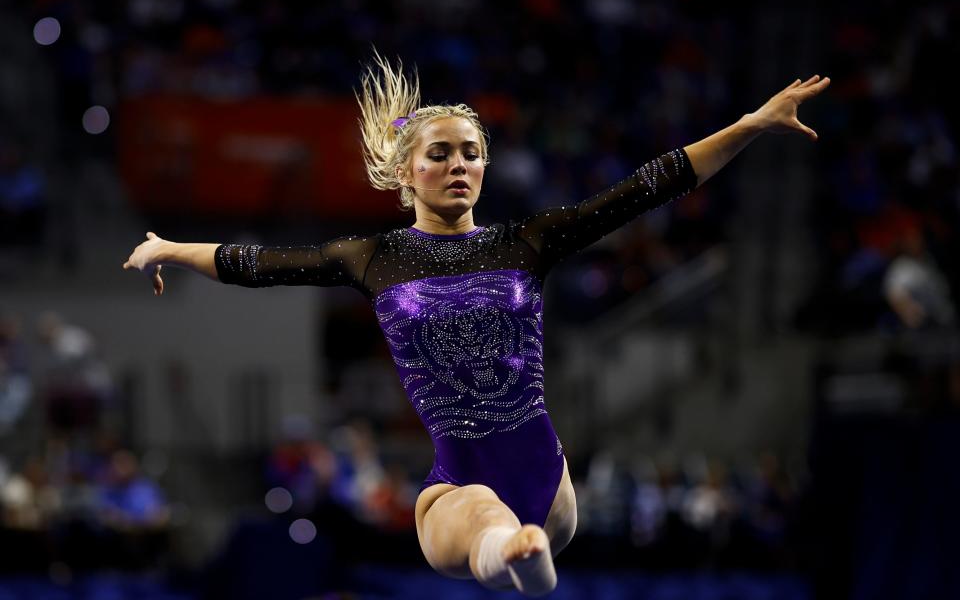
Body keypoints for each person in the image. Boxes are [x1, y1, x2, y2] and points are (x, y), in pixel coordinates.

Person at [123, 55, 829, 595]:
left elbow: (652, 183)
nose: (458, 165)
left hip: (547, 480)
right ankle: (518, 558)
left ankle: (526, 554)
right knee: (487, 513)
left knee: (512, 520)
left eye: (470, 152)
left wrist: (752, 124)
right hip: (456, 488)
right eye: (440, 154)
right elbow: (257, 262)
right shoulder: (373, 257)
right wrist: (168, 249)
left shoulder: (528, 240)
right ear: (407, 174)